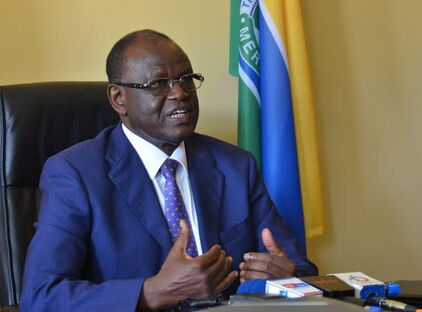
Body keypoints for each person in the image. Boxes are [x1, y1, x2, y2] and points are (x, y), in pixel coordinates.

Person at [20, 29, 317, 312]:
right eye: (158, 84)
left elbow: (299, 268)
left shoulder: (236, 165)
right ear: (118, 98)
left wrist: (289, 275)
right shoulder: (75, 174)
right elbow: (40, 297)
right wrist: (154, 292)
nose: (180, 93)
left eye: (187, 79)